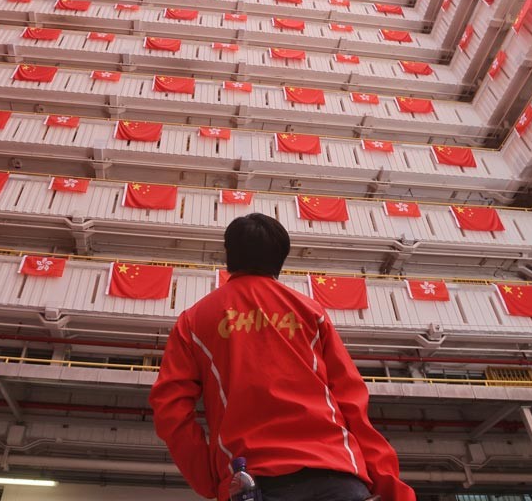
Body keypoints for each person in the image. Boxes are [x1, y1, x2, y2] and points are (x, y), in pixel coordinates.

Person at [150, 213, 416, 501]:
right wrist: (392, 488)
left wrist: (210, 479)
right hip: (337, 475)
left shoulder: (194, 321)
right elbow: (352, 402)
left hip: (253, 480)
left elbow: (170, 409)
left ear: (229, 255)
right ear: (281, 259)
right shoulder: (311, 312)